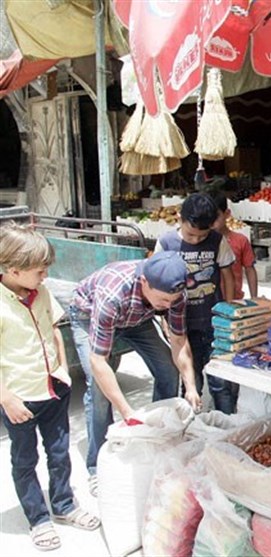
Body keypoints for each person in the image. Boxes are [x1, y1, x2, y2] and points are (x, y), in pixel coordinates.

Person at [1, 223, 100, 551]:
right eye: (40, 271)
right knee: (24, 460)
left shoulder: (40, 292)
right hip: (19, 398)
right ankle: (38, 518)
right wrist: (6, 398)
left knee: (59, 453)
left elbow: (54, 327)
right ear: (14, 270)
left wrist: (61, 368)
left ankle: (64, 505)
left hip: (53, 390)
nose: (45, 277)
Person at [70, 250, 201, 495]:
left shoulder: (175, 294)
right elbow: (99, 361)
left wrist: (190, 386)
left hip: (137, 319)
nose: (168, 306)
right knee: (99, 391)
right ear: (144, 283)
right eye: (163, 300)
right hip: (88, 317)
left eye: (172, 301)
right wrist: (127, 412)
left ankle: (157, 439)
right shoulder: (112, 295)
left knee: (167, 370)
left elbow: (178, 340)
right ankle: (96, 467)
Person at [156, 193, 236, 412]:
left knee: (221, 381)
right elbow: (158, 283)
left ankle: (228, 425)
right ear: (180, 218)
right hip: (182, 325)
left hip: (214, 322)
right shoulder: (166, 243)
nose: (196, 240)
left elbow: (227, 275)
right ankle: (192, 425)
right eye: (191, 235)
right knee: (191, 381)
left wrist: (228, 311)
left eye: (202, 236)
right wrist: (166, 320)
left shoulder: (218, 241)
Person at [212, 192, 258, 299]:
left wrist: (254, 298)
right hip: (209, 301)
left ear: (227, 214)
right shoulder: (202, 242)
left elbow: (249, 269)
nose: (211, 223)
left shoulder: (241, 240)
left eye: (216, 217)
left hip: (235, 299)